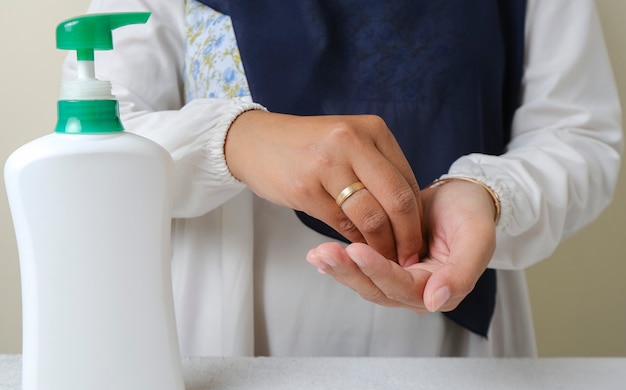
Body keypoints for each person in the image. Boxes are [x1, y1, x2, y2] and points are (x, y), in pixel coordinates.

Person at [64, 0, 622, 357]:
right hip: (223, 347)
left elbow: (579, 136)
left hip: (447, 339)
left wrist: (489, 195)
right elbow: (92, 142)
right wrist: (234, 140)